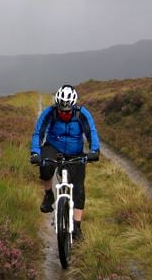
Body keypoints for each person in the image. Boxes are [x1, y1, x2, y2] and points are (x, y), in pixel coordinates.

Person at [30, 84, 100, 241]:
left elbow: (92, 133)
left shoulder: (82, 114)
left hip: (75, 152)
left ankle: (77, 226)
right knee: (45, 166)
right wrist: (35, 152)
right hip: (54, 147)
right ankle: (49, 196)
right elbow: (38, 133)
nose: (63, 113)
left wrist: (95, 151)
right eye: (61, 110)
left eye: (67, 111)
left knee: (79, 190)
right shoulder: (49, 113)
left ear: (73, 106)